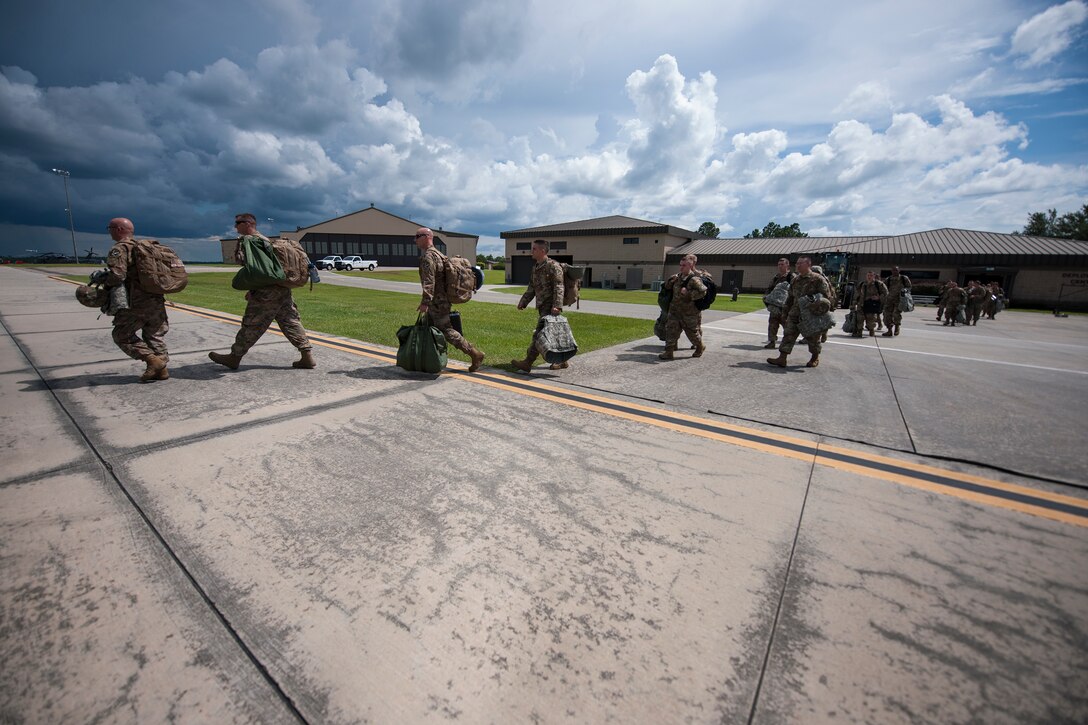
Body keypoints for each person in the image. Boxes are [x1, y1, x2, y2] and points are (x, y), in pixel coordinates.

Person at [208, 213, 315, 370]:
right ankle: (307, 356)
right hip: (282, 288)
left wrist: (254, 288)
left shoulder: (251, 241)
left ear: (248, 223)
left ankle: (234, 357)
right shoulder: (265, 240)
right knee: (290, 320)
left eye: (238, 223)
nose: (235, 226)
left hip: (267, 291)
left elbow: (256, 270)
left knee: (253, 322)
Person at [101, 217, 170, 382]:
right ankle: (162, 370)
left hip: (135, 302)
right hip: (156, 299)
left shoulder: (120, 249)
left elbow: (117, 275)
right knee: (154, 335)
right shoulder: (146, 248)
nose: (109, 231)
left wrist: (104, 282)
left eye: (109, 228)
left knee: (121, 334)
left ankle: (153, 361)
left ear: (118, 229)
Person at [415, 227, 486, 372]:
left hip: (437, 302)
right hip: (442, 300)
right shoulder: (439, 254)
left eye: (417, 236)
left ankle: (474, 354)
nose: (415, 240)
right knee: (428, 327)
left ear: (427, 237)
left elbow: (429, 282)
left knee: (446, 330)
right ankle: (431, 359)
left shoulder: (429, 257)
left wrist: (425, 302)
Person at [511, 239, 566, 372]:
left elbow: (559, 287)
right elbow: (532, 287)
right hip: (542, 306)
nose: (532, 251)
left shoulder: (553, 266)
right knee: (552, 334)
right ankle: (562, 360)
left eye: (534, 248)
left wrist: (557, 306)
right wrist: (523, 301)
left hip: (551, 306)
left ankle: (528, 362)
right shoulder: (536, 267)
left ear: (542, 251)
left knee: (539, 334)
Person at [767, 256, 832, 368]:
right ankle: (782, 358)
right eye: (797, 263)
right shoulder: (795, 280)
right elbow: (790, 298)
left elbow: (827, 298)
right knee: (788, 334)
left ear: (808, 265)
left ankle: (815, 357)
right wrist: (785, 312)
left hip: (811, 315)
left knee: (813, 338)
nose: (797, 265)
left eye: (800, 263)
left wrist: (817, 306)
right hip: (795, 313)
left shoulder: (818, 279)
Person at [659, 254, 707, 360]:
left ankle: (700, 347)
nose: (681, 267)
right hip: (674, 311)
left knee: (692, 333)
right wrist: (670, 281)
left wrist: (689, 294)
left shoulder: (694, 279)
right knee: (671, 330)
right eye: (680, 265)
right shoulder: (677, 277)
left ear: (690, 266)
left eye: (684, 265)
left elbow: (703, 291)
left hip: (688, 313)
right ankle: (669, 352)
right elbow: (666, 287)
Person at [764, 257, 796, 349]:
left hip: (786, 307)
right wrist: (766, 298)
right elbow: (770, 289)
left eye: (782, 264)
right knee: (772, 324)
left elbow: (796, 290)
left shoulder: (792, 277)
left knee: (787, 326)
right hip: (775, 307)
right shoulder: (776, 277)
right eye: (779, 264)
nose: (780, 266)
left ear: (787, 265)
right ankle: (772, 341)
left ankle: (787, 344)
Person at [853, 271, 887, 337]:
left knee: (871, 320)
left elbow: (886, 293)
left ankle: (871, 331)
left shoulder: (879, 284)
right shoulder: (862, 284)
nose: (869, 277)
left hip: (871, 305)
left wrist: (878, 297)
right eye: (868, 275)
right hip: (861, 304)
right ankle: (859, 332)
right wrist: (853, 303)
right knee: (859, 319)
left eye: (871, 275)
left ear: (874, 276)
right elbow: (856, 294)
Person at [881, 265, 912, 336]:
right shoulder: (888, 279)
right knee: (886, 315)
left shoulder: (903, 278)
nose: (894, 271)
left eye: (896, 270)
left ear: (899, 270)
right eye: (893, 270)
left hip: (899, 300)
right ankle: (889, 330)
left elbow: (909, 287)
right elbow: (883, 288)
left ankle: (897, 327)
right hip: (889, 301)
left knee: (896, 314)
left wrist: (904, 291)